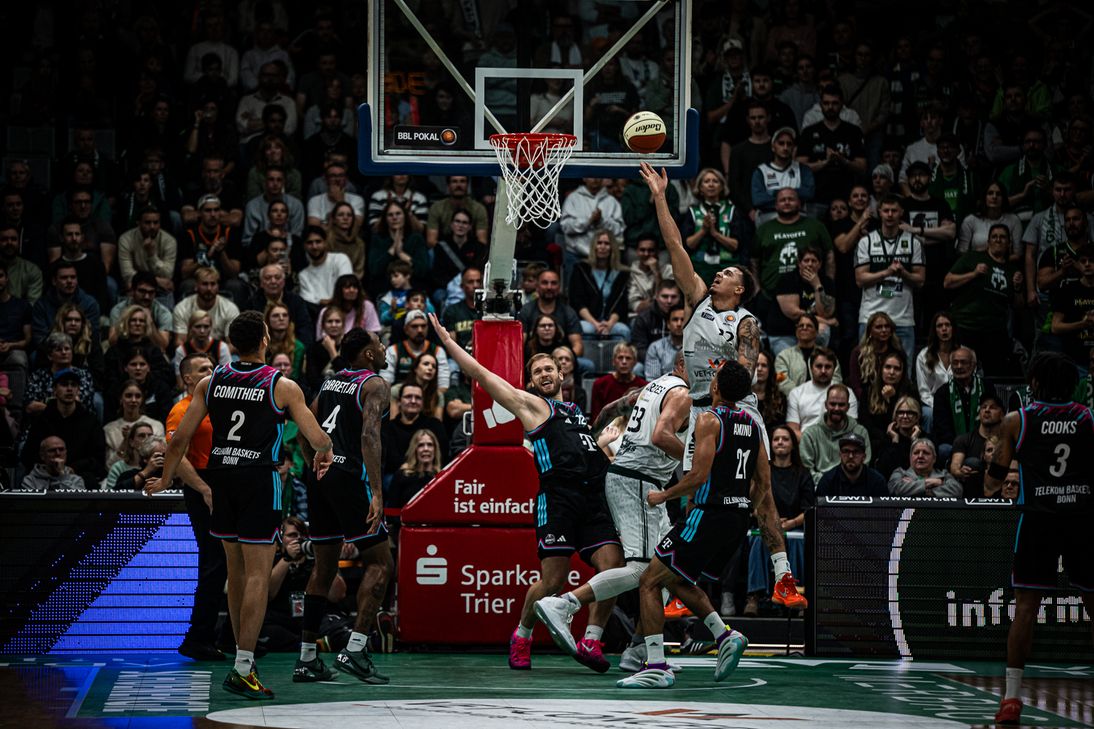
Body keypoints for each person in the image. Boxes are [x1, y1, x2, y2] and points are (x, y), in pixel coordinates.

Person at [145, 311, 334, 700]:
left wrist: (165, 479)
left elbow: (178, 440)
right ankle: (243, 664)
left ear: (230, 343)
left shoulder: (209, 382)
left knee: (234, 569)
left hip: (222, 477)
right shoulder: (281, 385)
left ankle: (240, 658)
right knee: (256, 576)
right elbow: (317, 437)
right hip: (258, 479)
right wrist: (326, 452)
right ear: (265, 340)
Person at [430, 314, 625, 672]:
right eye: (538, 373)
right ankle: (521, 635)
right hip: (559, 498)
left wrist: (602, 444)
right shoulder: (532, 407)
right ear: (532, 383)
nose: (545, 374)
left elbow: (583, 450)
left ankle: (592, 639)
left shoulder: (576, 413)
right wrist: (449, 343)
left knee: (612, 567)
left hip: (595, 500)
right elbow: (482, 375)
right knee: (553, 580)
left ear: (561, 374)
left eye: (550, 368)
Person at [616, 361, 806, 689]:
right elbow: (763, 487)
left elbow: (698, 476)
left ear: (715, 387)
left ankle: (656, 666)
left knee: (649, 581)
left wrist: (664, 495)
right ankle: (725, 635)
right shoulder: (752, 424)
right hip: (736, 521)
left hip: (707, 515)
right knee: (676, 580)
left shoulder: (708, 420)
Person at [534, 355, 691, 672]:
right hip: (635, 481)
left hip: (637, 479)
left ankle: (637, 650)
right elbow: (661, 435)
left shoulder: (653, 387)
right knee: (641, 571)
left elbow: (613, 410)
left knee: (666, 570)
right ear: (682, 366)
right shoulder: (680, 391)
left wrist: (600, 435)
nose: (709, 368)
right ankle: (564, 604)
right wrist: (699, 464)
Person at [984, 352, 1094, 726]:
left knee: (1026, 607)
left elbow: (994, 479)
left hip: (1038, 519)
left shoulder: (1018, 420)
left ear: (1034, 383)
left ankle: (1011, 699)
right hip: (1082, 519)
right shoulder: (1088, 417)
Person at [640, 162, 770, 474]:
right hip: (700, 409)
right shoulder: (697, 298)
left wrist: (719, 389)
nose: (718, 274)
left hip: (739, 408)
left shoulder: (745, 322)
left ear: (738, 288)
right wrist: (660, 196)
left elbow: (745, 373)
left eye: (726, 273)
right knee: (694, 489)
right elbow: (675, 245)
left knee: (757, 488)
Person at [294, 328, 393, 686]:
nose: (384, 349)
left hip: (321, 476)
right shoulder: (375, 384)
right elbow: (369, 436)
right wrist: (378, 493)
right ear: (368, 354)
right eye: (379, 345)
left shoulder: (332, 382)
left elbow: (304, 425)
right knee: (382, 562)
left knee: (322, 570)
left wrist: (312, 463)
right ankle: (355, 648)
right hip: (351, 475)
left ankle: (307, 659)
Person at [163, 352, 224, 662]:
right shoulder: (181, 410)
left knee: (229, 563)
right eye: (203, 369)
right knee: (213, 563)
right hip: (202, 485)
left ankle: (227, 635)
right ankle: (198, 636)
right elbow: (177, 455)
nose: (210, 372)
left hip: (224, 481)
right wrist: (203, 489)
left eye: (212, 367)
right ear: (187, 378)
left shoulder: (221, 404)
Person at [742, 424, 814, 617]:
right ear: (770, 444)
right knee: (758, 539)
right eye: (776, 439)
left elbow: (809, 509)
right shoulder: (761, 471)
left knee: (798, 540)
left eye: (785, 439)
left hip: (794, 526)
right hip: (764, 524)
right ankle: (754, 597)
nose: (780, 442)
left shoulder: (803, 474)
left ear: (793, 445)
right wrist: (770, 521)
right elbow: (752, 502)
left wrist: (789, 524)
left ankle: (797, 592)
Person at [944, 224, 1023, 376]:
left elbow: (1019, 306)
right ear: (988, 241)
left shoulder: (1012, 270)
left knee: (995, 374)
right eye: (994, 237)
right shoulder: (973, 257)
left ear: (1009, 243)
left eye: (1002, 237)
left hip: (995, 331)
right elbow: (947, 282)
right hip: (966, 326)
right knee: (962, 370)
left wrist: (1018, 288)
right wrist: (973, 274)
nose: (998, 240)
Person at [854, 195, 925, 356]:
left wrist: (904, 273)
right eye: (886, 210)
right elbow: (860, 279)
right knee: (867, 368)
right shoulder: (866, 242)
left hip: (902, 319)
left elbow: (920, 280)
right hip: (870, 317)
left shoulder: (914, 242)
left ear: (901, 212)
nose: (890, 214)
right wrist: (887, 272)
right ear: (880, 212)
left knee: (903, 371)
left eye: (894, 210)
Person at [767, 247, 836, 355]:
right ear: (799, 263)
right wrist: (825, 321)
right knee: (792, 365)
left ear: (820, 264)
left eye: (814, 261)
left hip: (809, 332)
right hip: (784, 334)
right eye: (806, 260)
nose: (810, 264)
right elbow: (795, 314)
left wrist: (817, 286)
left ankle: (816, 363)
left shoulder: (826, 282)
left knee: (823, 330)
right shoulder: (787, 280)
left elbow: (825, 313)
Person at [800, 383, 871, 485]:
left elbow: (864, 464)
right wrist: (828, 482)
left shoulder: (860, 432)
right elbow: (806, 470)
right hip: (819, 488)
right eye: (833, 404)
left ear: (848, 407)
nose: (837, 408)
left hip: (852, 486)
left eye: (841, 405)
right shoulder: (810, 434)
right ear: (826, 405)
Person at [568, 230, 631, 341]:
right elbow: (577, 302)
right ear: (594, 246)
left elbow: (621, 304)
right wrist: (595, 323)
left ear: (612, 247)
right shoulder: (581, 269)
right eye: (599, 243)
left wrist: (610, 324)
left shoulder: (622, 273)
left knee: (623, 330)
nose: (602, 246)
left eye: (607, 243)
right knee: (585, 329)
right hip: (588, 320)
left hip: (612, 321)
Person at [684, 168, 743, 284]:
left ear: (722, 187)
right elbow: (688, 245)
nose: (711, 184)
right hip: (699, 267)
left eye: (715, 181)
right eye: (706, 181)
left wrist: (715, 234)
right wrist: (703, 230)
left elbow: (735, 245)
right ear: (700, 188)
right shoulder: (692, 212)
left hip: (726, 266)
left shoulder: (731, 211)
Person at [786, 347, 856, 437]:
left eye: (828, 367)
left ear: (834, 369)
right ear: (811, 368)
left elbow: (851, 429)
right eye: (819, 366)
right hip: (805, 444)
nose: (823, 371)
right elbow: (793, 431)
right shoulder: (796, 393)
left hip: (837, 444)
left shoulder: (847, 393)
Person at [859, 351, 918, 451]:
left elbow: (912, 419)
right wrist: (885, 437)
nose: (891, 372)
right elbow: (865, 423)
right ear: (881, 369)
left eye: (897, 369)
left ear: (903, 372)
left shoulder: (910, 391)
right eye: (888, 367)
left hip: (904, 438)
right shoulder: (868, 391)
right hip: (877, 440)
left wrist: (893, 399)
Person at [949, 394, 1006, 498]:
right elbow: (955, 466)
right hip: (971, 488)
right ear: (979, 413)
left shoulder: (1007, 441)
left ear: (1002, 414)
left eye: (992, 407)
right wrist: (960, 472)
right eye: (984, 407)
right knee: (972, 463)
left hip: (1000, 486)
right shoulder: (964, 439)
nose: (987, 410)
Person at [930, 346, 983, 452]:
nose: (959, 366)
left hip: (982, 442)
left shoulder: (986, 387)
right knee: (944, 450)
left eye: (964, 362)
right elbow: (941, 428)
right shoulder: (942, 393)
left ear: (973, 365)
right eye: (955, 363)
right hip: (953, 444)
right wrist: (961, 445)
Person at [103, 381, 164, 470]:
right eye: (128, 396)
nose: (133, 400)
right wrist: (125, 441)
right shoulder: (109, 429)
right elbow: (109, 466)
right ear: (120, 399)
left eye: (138, 396)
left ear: (142, 399)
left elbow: (161, 458)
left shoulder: (156, 426)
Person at [914, 311, 958, 429]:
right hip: (932, 404)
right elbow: (924, 391)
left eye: (947, 325)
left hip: (960, 403)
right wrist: (940, 407)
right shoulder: (923, 356)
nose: (944, 329)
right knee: (927, 414)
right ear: (935, 330)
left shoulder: (964, 354)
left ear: (953, 328)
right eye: (939, 326)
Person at [815, 432, 887, 496]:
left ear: (864, 456)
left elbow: (884, 510)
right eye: (846, 451)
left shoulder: (877, 481)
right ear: (840, 455)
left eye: (856, 452)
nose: (850, 456)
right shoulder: (828, 481)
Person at [872, 396, 926, 479]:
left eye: (910, 413)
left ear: (917, 417)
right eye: (900, 412)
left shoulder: (926, 439)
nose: (904, 416)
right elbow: (884, 469)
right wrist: (895, 441)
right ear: (895, 416)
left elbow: (924, 467)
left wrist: (915, 440)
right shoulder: (888, 439)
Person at [590, 343, 647, 421]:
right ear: (613, 361)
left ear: (635, 362)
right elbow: (595, 417)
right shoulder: (600, 384)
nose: (624, 362)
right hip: (606, 429)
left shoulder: (644, 386)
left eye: (628, 358)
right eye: (620, 358)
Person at [887, 438, 962, 496]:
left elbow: (957, 491)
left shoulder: (944, 474)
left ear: (934, 458)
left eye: (926, 453)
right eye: (916, 453)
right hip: (907, 514)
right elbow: (894, 489)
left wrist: (916, 489)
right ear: (910, 457)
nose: (920, 456)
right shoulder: (900, 473)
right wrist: (929, 483)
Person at [18, 436, 86, 491]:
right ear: (42, 456)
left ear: (66, 453)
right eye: (52, 450)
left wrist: (62, 476)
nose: (58, 453)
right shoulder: (30, 481)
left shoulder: (76, 480)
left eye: (61, 449)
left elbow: (74, 502)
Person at [753, 348, 788, 426]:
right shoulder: (742, 396)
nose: (759, 369)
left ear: (770, 370)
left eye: (764, 365)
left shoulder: (780, 398)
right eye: (756, 365)